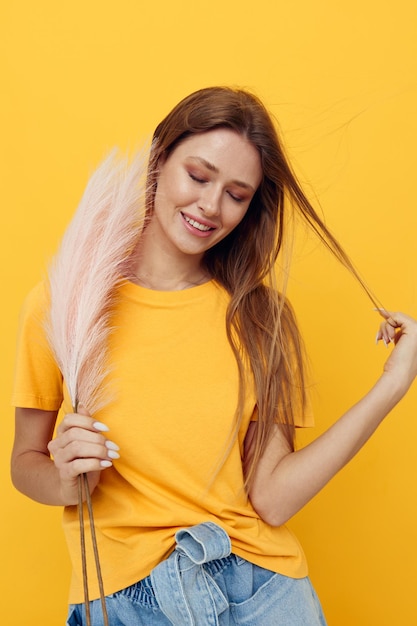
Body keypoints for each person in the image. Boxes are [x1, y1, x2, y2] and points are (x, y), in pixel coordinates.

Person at [11, 87, 417, 626]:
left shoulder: (262, 317)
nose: (210, 206)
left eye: (236, 194)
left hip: (263, 593)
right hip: (127, 598)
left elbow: (271, 499)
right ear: (158, 160)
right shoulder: (68, 300)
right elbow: (24, 462)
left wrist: (391, 386)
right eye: (198, 176)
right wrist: (66, 478)